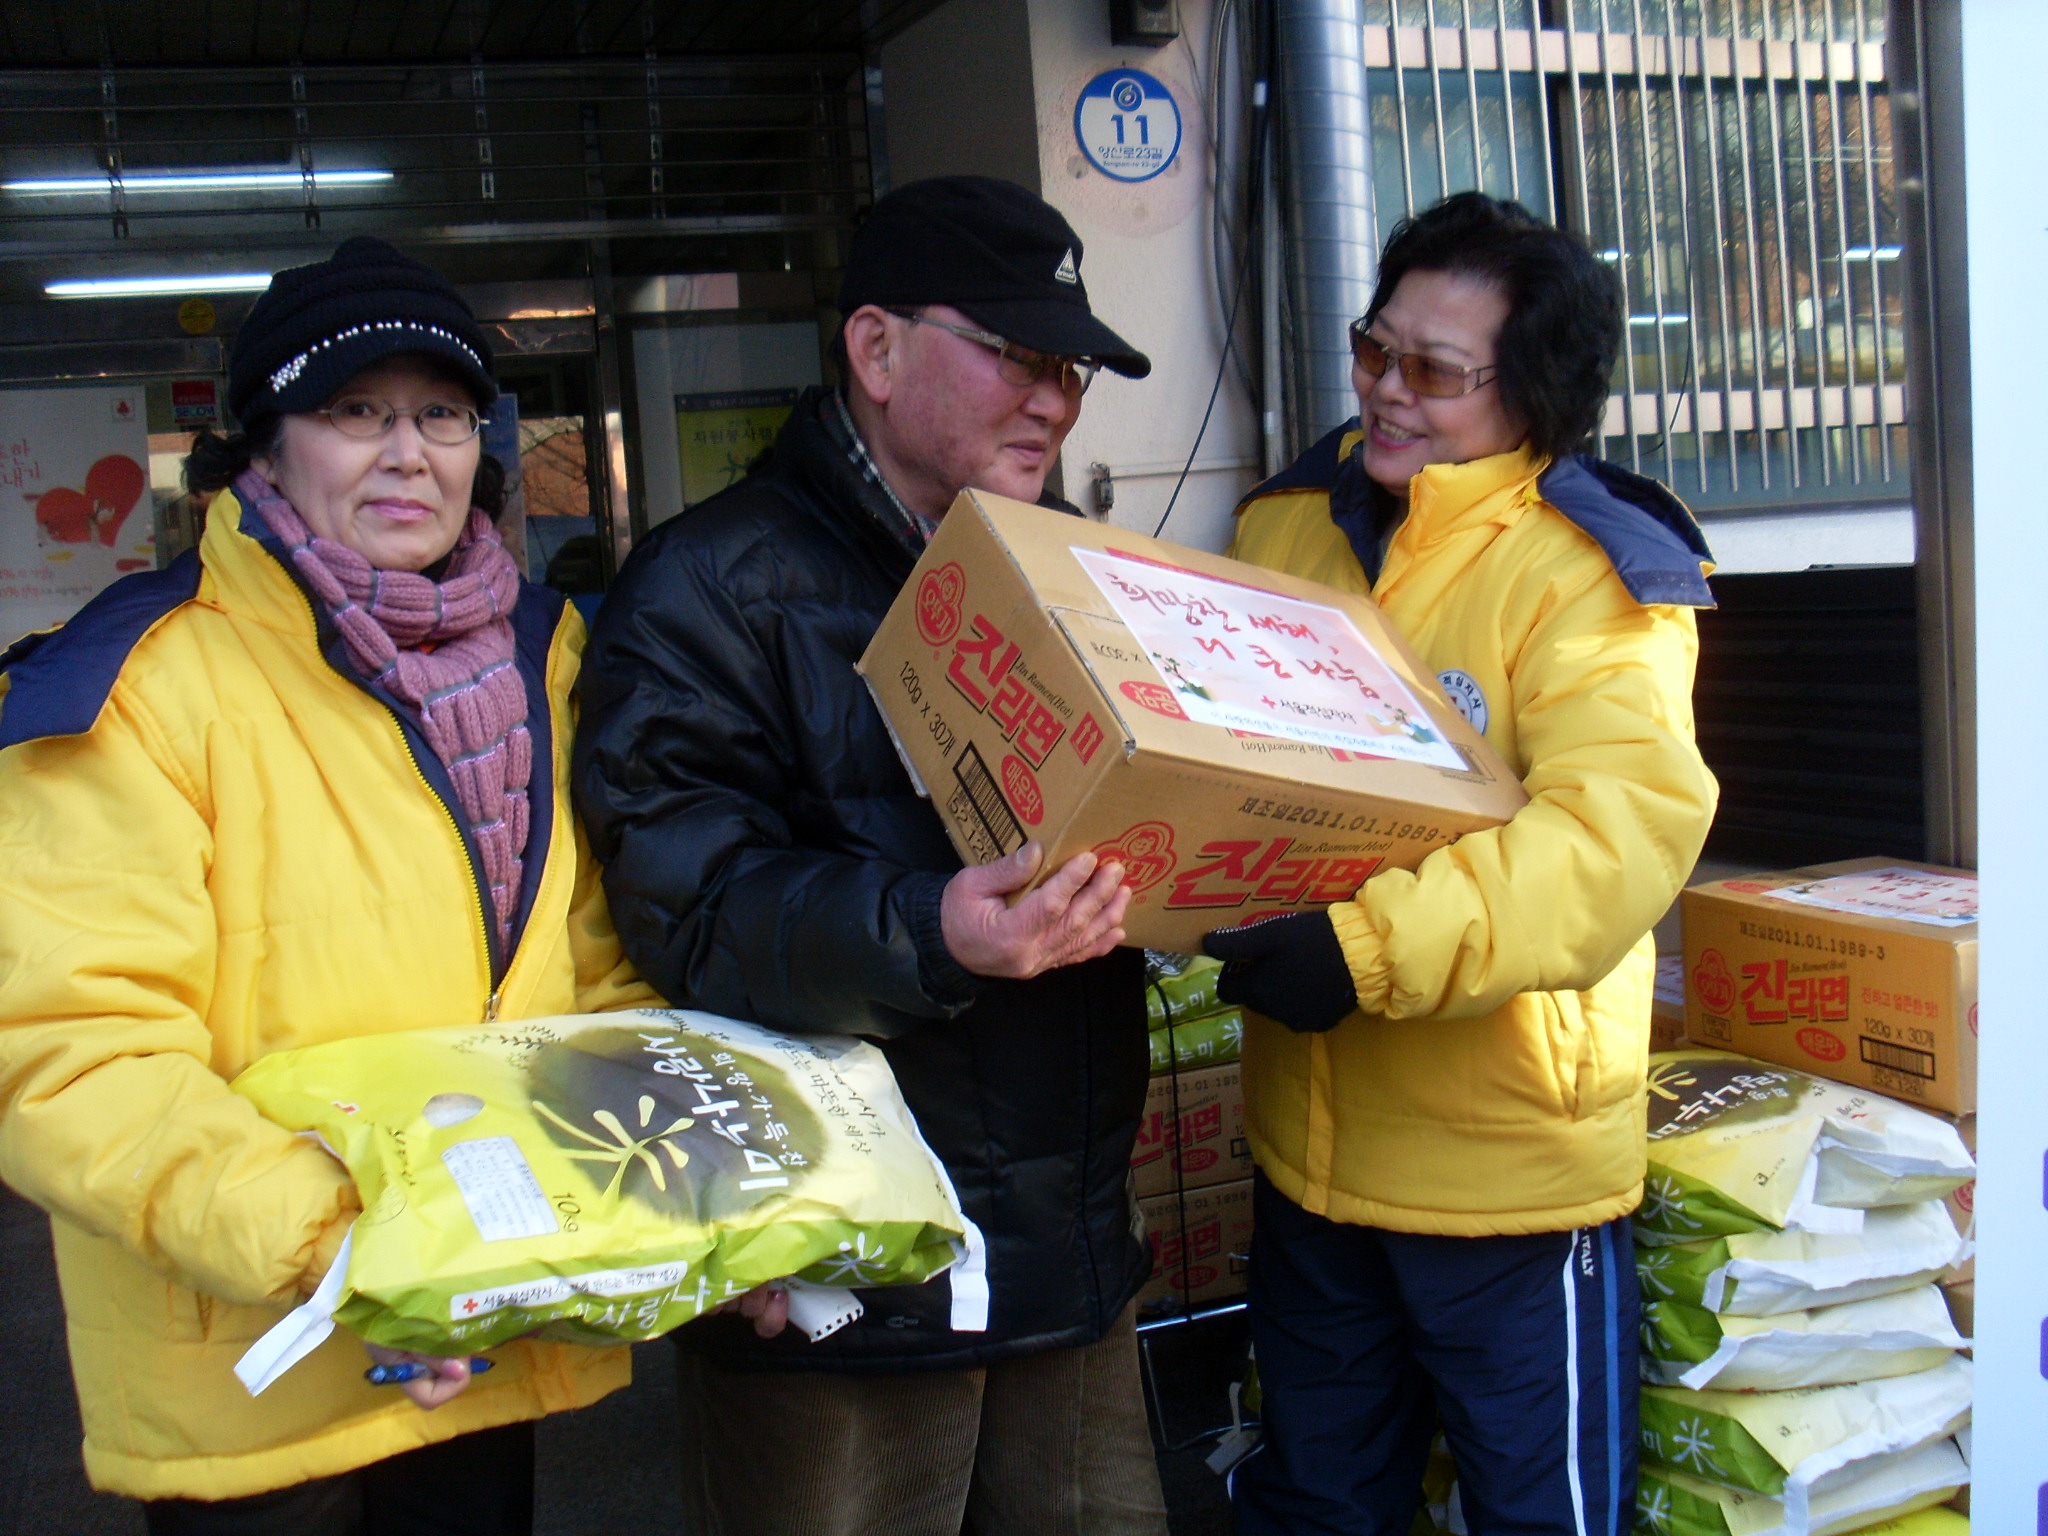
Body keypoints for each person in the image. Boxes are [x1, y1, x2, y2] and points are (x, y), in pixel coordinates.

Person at [0, 236, 662, 1534]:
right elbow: (68, 1055)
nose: (407, 452)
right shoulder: (133, 687)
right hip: (264, 1358)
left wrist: (655, 1187)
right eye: (354, 411)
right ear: (268, 443)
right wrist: (348, 1252)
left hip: (481, 1335)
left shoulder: (544, 655)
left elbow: (593, 961)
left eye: (441, 414)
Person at [573, 176, 1168, 1536]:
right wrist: (933, 928)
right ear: (877, 349)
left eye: (1069, 368)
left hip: (1067, 1262)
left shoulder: (1071, 571)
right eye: (1018, 355)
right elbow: (692, 915)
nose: (1057, 402)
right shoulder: (702, 588)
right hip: (840, 1281)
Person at [1207, 192, 1720, 1535]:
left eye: (1434, 372)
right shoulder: (1285, 527)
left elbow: (1612, 843)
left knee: (1534, 1515)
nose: (1387, 392)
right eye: (1376, 351)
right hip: (1309, 1151)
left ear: (1533, 390)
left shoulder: (1590, 573)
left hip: (1504, 1182)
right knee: (1313, 1504)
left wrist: (1365, 951)